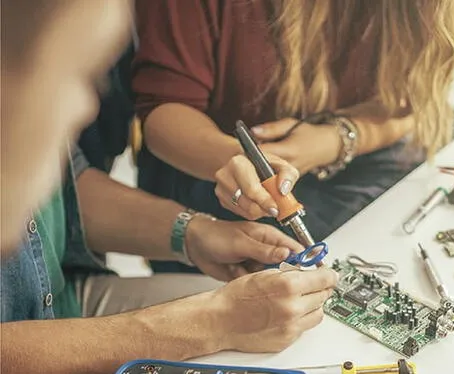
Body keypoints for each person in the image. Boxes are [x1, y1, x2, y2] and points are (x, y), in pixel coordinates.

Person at [0, 1, 337, 373]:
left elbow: (66, 193)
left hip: (61, 301)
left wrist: (193, 233)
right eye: (70, 78)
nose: (88, 109)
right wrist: (208, 324)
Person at [132, 0, 454, 275]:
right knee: (293, 275)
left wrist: (335, 140)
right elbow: (163, 114)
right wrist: (230, 159)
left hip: (359, 153)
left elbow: (413, 103)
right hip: (221, 181)